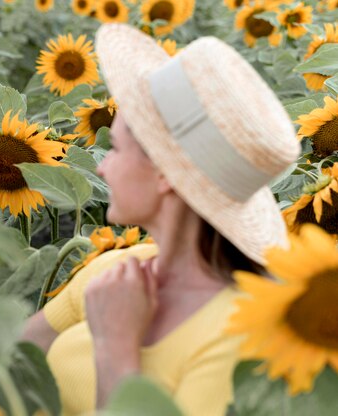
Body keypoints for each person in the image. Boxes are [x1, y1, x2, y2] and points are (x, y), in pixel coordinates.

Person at [22, 24, 301, 415]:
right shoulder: (114, 269)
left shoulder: (239, 340)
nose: (103, 169)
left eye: (116, 148)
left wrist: (115, 348)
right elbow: (8, 363)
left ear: (164, 174)